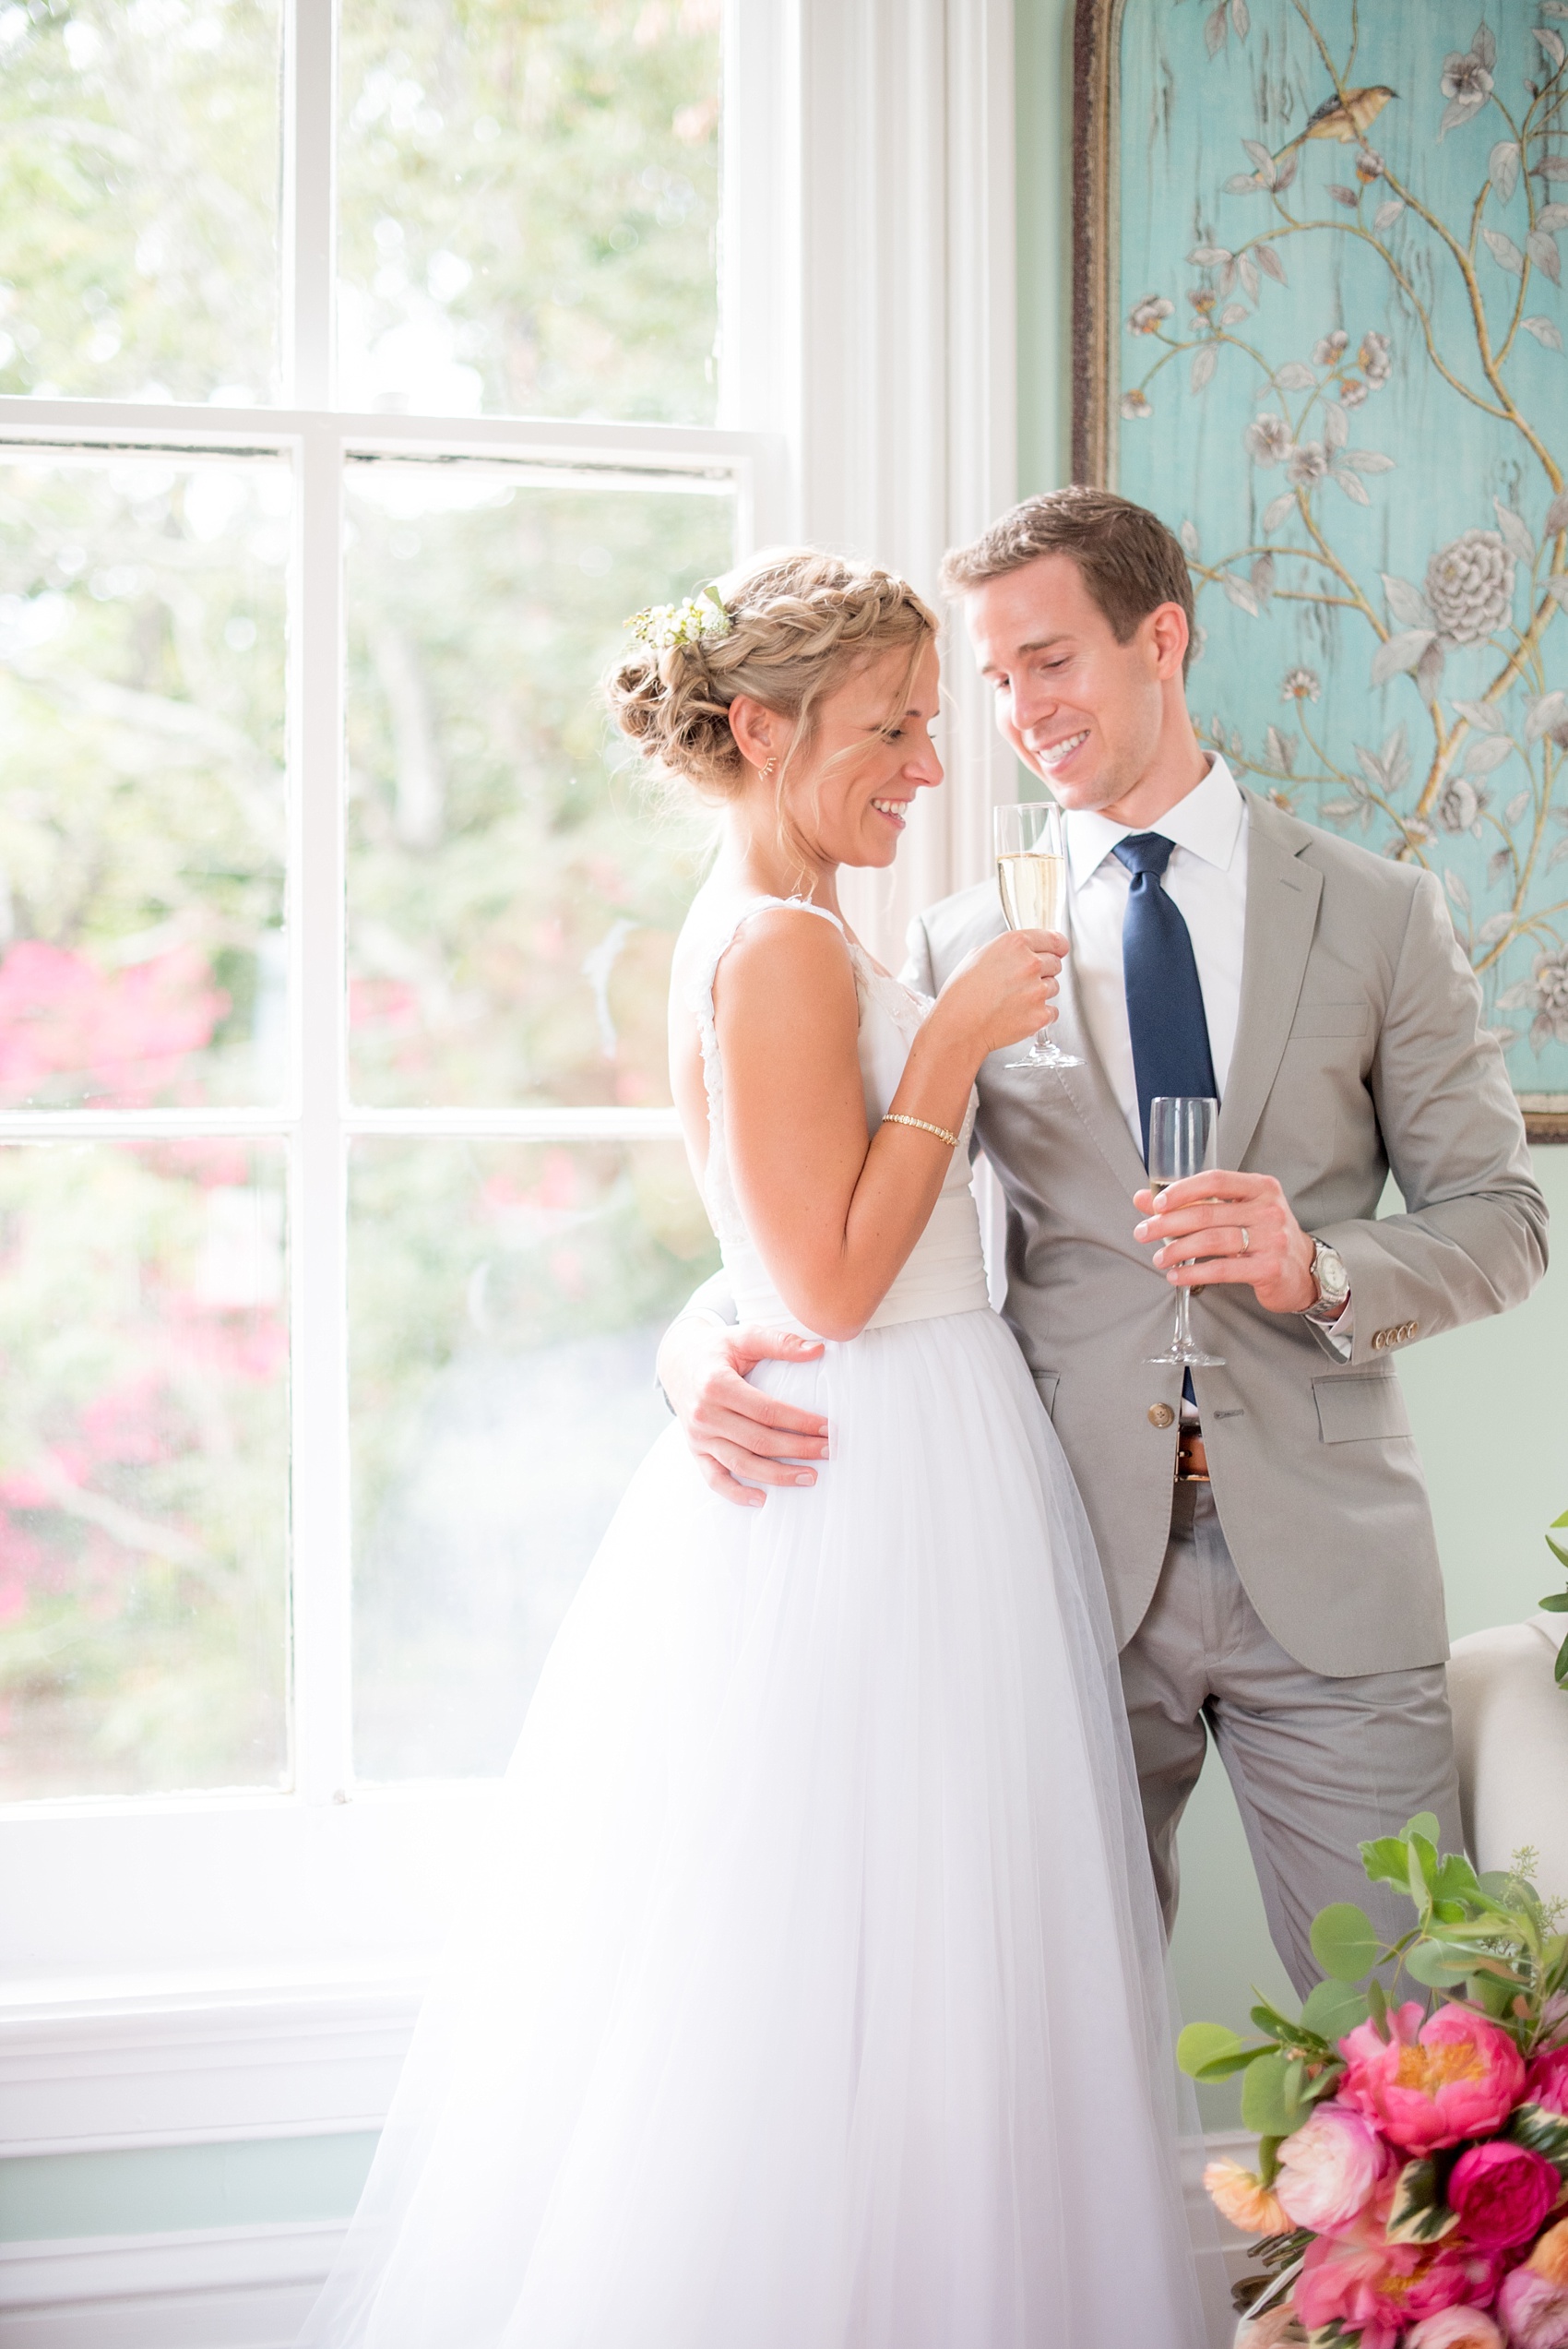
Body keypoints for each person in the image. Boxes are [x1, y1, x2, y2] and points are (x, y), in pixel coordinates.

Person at [298, 549, 1209, 2349]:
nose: (927, 767)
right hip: (871, 1478)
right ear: (759, 726)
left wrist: (695, 1332)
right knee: (859, 1976)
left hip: (904, 1459)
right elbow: (834, 1282)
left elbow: (755, 1257)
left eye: (930, 726)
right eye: (889, 728)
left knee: (906, 1978)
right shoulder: (784, 946)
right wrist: (947, 1045)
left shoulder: (791, 925)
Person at [659, 490, 1550, 1996]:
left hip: (1330, 1579)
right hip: (1054, 1561)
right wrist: (694, 1351)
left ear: (1164, 638)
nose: (1018, 712)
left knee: (1426, 2031)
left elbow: (1507, 1221)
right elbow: (815, 1202)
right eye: (992, 680)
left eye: (1049, 661)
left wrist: (1321, 1267)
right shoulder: (945, 945)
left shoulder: (1382, 914)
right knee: (1041, 2050)